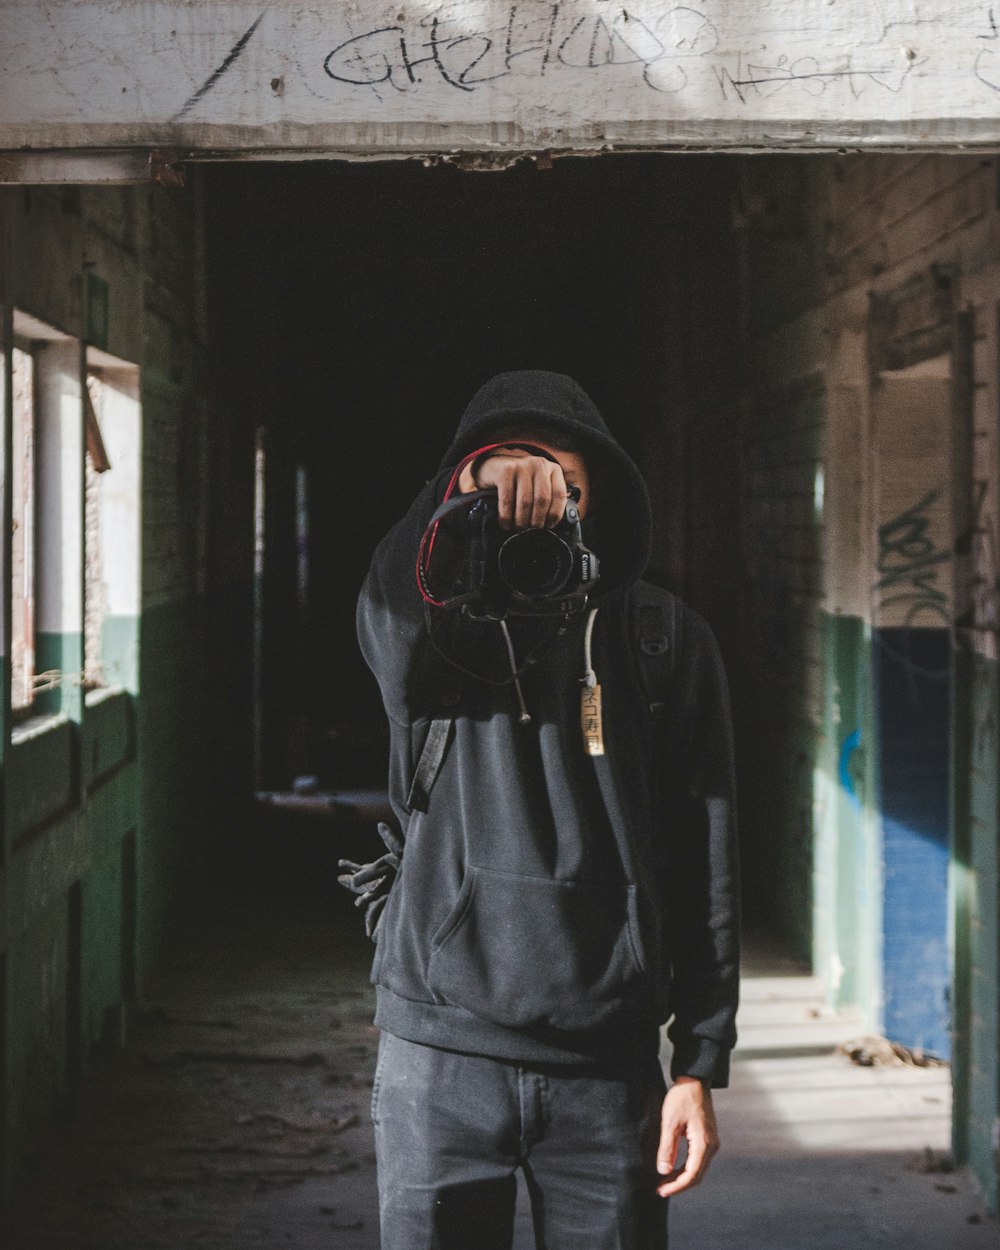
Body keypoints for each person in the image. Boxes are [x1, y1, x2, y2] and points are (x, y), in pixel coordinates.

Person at [343, 370, 740, 1250]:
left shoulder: (662, 640)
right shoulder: (436, 631)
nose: (537, 507)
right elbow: (387, 621)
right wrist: (465, 491)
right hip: (439, 1057)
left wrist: (700, 1063)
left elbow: (704, 848)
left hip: (610, 1071)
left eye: (559, 482)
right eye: (512, 480)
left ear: (599, 496)